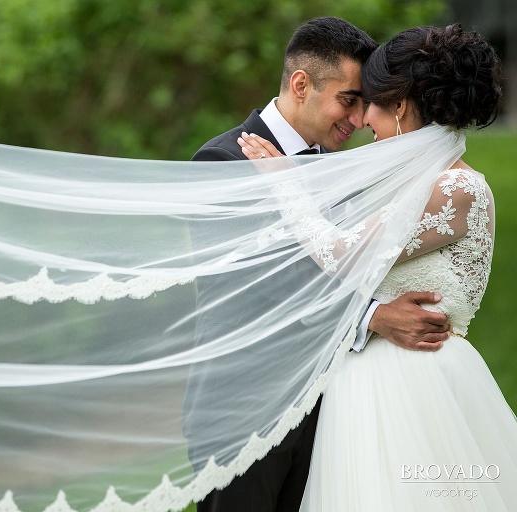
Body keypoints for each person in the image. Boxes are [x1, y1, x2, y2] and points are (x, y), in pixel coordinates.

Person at [240, 24, 517, 510]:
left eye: (369, 102)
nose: (364, 119)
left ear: (401, 106)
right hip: (367, 385)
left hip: (415, 390)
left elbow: (341, 255)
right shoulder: (416, 182)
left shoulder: (457, 190)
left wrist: (285, 185)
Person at [185, 17, 450, 512]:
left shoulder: (340, 168)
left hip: (328, 415)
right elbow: (259, 287)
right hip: (244, 413)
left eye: (364, 104)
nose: (357, 117)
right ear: (302, 84)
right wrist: (372, 315)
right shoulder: (221, 162)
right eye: (348, 100)